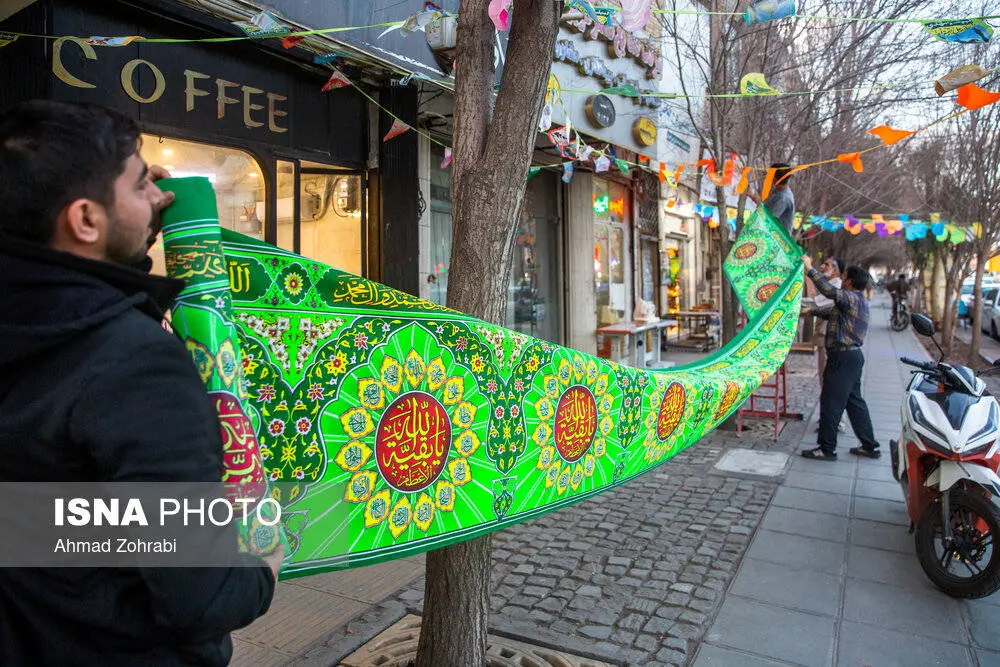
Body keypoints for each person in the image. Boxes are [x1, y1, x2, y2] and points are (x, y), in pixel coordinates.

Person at [0, 100, 281, 665]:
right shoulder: (134, 362)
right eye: (138, 185)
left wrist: (125, 221)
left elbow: (43, 515)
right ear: (85, 220)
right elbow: (200, 594)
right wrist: (260, 572)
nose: (157, 194)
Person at [800, 255, 881, 461]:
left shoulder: (850, 297)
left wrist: (809, 268)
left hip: (842, 358)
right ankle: (869, 445)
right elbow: (833, 313)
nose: (842, 280)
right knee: (855, 402)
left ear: (850, 282)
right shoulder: (859, 300)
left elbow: (829, 291)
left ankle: (826, 449)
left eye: (844, 278)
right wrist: (812, 311)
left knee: (831, 402)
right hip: (852, 358)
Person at [750, 162, 796, 234]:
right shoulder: (778, 191)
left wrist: (755, 198)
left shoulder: (783, 198)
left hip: (777, 238)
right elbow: (766, 209)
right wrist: (754, 197)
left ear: (774, 179)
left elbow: (768, 218)